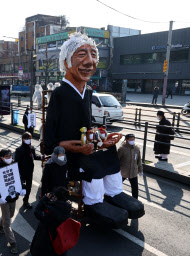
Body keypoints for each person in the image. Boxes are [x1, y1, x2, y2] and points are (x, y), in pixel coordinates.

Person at [44, 33, 144, 226]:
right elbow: (50, 139)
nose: (90, 61)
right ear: (66, 62)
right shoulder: (59, 94)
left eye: (94, 54)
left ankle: (114, 192)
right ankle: (93, 201)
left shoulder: (88, 92)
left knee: (108, 152)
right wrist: (72, 147)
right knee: (92, 162)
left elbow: (87, 125)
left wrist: (100, 138)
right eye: (82, 54)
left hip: (85, 145)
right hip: (69, 154)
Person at [0, 149, 26, 254]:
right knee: (7, 222)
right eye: (7, 156)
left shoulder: (14, 166)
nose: (10, 158)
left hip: (13, 197)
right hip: (4, 199)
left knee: (10, 215)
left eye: (10, 156)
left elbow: (19, 178)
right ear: (2, 158)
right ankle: (13, 243)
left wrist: (23, 188)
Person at [30, 187, 72, 256]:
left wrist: (44, 199)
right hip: (58, 244)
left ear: (56, 198)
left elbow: (37, 212)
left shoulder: (51, 211)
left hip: (45, 245)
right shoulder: (67, 210)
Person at [15, 132, 42, 209]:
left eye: (30, 138)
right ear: (23, 139)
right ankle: (13, 200)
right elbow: (16, 162)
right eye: (27, 138)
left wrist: (42, 157)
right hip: (22, 172)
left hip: (30, 171)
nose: (29, 140)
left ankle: (26, 201)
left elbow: (35, 156)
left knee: (29, 187)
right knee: (20, 187)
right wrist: (18, 173)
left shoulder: (31, 148)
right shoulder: (19, 150)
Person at [118, 134, 142, 199]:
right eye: (131, 140)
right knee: (117, 185)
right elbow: (117, 160)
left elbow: (139, 160)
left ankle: (135, 200)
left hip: (133, 172)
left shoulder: (136, 149)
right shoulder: (122, 149)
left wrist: (140, 170)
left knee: (135, 188)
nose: (133, 141)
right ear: (126, 140)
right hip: (123, 172)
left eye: (133, 139)